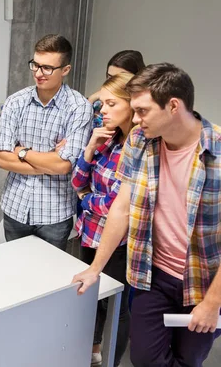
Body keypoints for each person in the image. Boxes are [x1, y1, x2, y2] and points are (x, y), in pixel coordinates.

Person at [73, 63, 221, 367]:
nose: (135, 120)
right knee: (144, 357)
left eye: (142, 111)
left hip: (205, 281)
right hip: (151, 274)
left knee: (187, 359)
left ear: (173, 106)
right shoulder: (139, 142)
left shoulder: (217, 152)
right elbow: (122, 208)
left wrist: (213, 302)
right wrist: (95, 268)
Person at [0, 34, 92, 249]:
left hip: (54, 212)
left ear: (65, 70)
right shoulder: (16, 102)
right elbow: (0, 158)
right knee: (14, 273)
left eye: (47, 68)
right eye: (35, 65)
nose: (38, 73)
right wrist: (47, 164)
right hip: (15, 206)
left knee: (49, 278)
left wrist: (21, 152)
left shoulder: (79, 107)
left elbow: (65, 165)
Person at [71, 73, 134, 366]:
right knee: (91, 298)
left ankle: (110, 359)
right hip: (89, 233)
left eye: (111, 103)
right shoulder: (108, 138)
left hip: (118, 241)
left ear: (131, 105)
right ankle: (91, 351)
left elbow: (114, 206)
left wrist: (86, 200)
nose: (102, 110)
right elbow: (77, 180)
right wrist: (90, 146)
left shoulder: (136, 148)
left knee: (117, 306)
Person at [87, 50, 145, 127]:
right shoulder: (98, 104)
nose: (114, 82)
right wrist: (90, 100)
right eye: (110, 77)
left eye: (121, 77)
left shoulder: (144, 113)